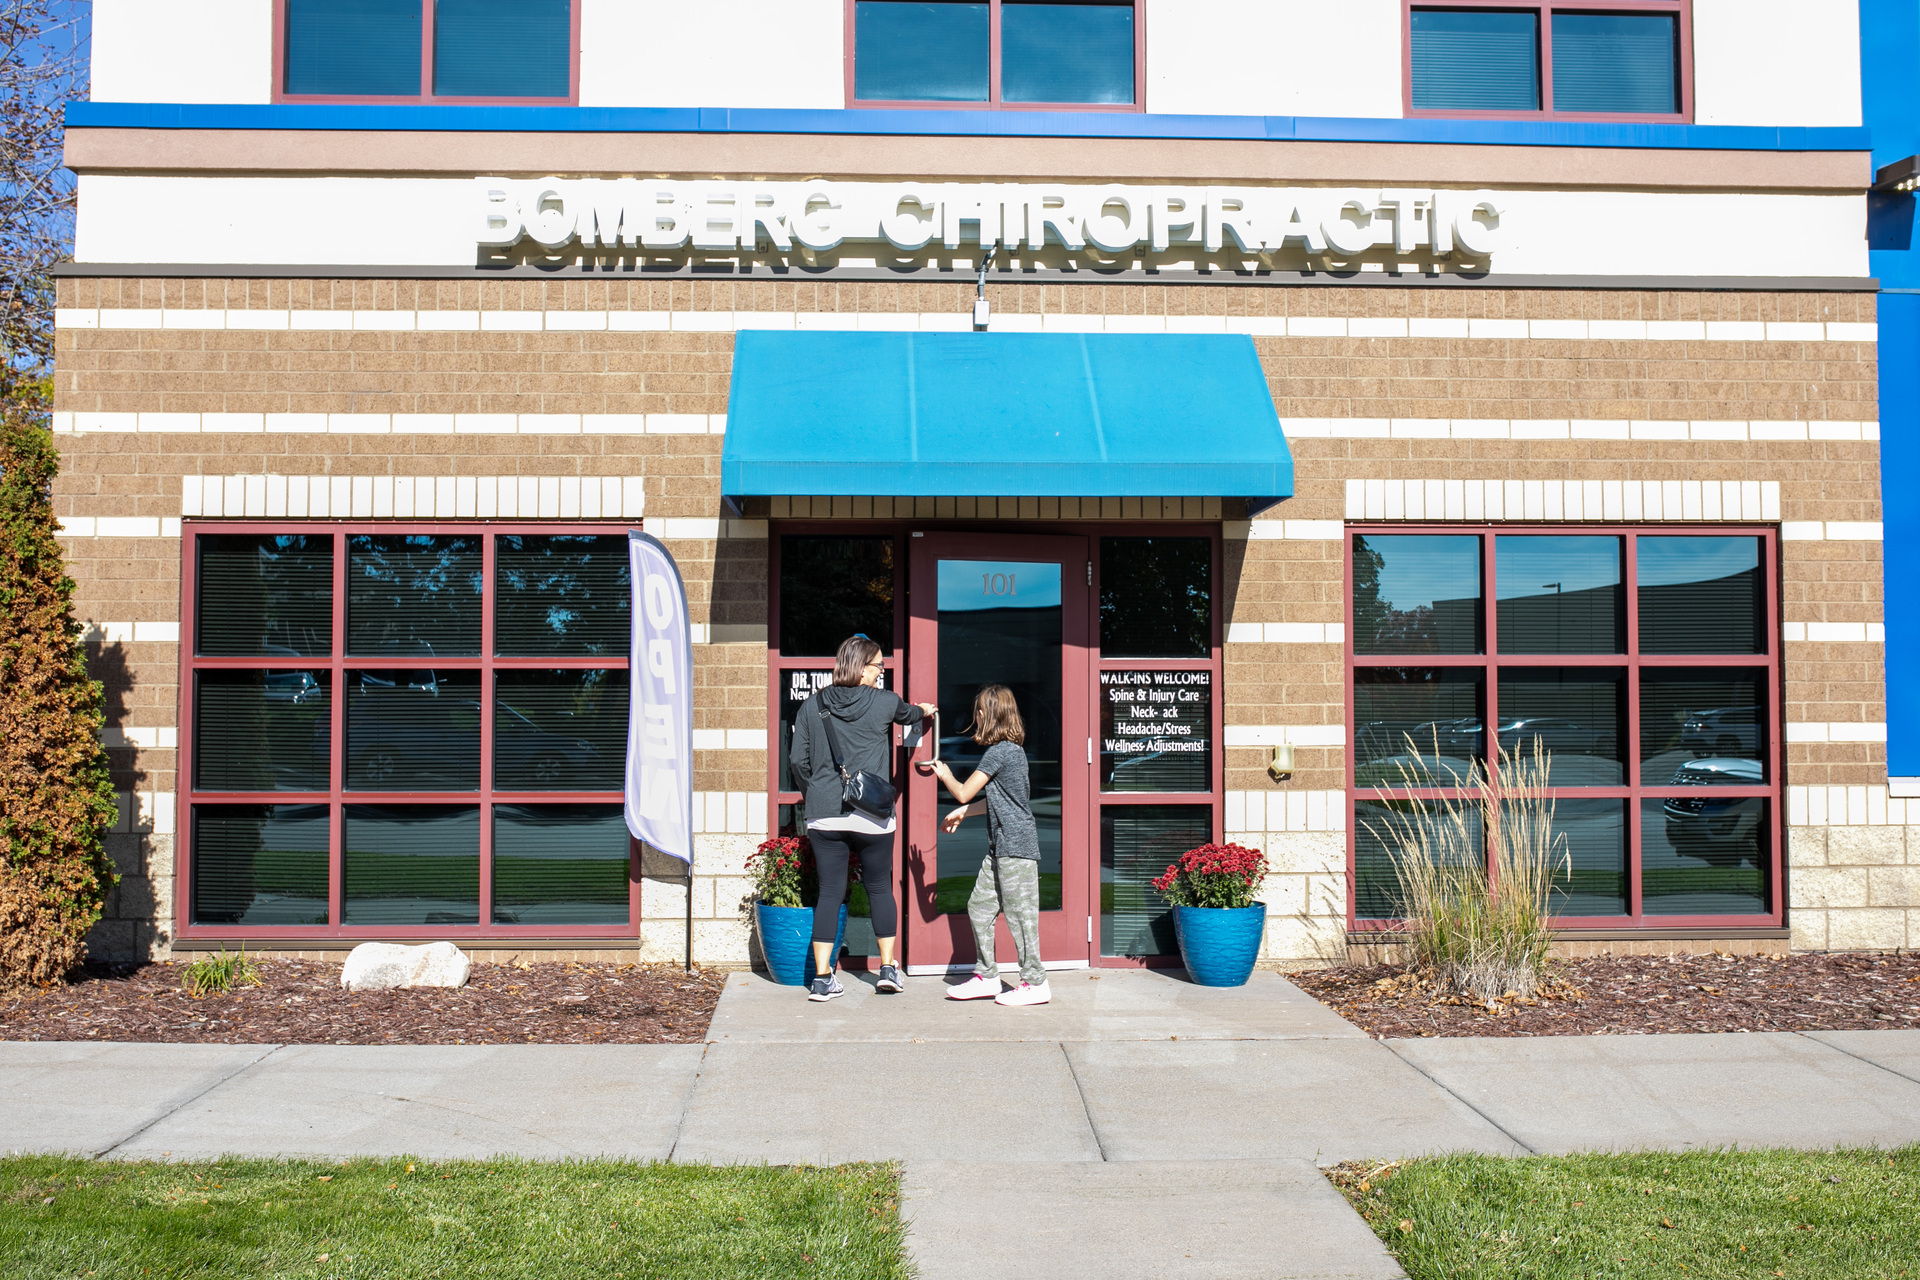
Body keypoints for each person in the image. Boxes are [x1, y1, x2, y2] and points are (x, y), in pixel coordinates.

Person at [788, 633, 937, 1002]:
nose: (881, 674)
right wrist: (926, 711)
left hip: (825, 815)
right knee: (879, 889)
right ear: (861, 667)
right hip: (871, 814)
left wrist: (816, 793)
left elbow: (796, 761)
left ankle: (822, 979)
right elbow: (911, 714)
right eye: (878, 667)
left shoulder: (812, 705)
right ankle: (888, 969)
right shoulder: (885, 703)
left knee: (830, 893)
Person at [923, 684, 1049, 1006]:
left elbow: (965, 791)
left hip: (1016, 848)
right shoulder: (1012, 751)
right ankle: (987, 977)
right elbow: (1002, 799)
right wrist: (965, 812)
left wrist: (945, 774)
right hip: (1001, 847)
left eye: (980, 711)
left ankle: (1035, 983)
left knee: (1022, 918)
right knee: (979, 907)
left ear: (991, 715)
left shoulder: (1000, 752)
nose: (976, 716)